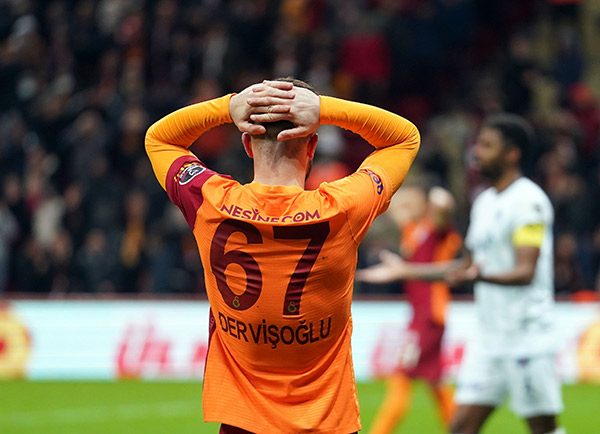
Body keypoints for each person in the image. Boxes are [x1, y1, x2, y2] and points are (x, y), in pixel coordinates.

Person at [145, 78, 420, 433]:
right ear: (312, 146)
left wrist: (227, 107)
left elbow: (158, 139)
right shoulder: (345, 206)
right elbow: (405, 138)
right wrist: (325, 109)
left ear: (247, 144)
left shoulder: (209, 199)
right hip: (327, 423)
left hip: (243, 423)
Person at [355, 114, 564, 434]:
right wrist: (405, 270)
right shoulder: (484, 202)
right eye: (478, 144)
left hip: (527, 338)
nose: (477, 151)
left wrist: (477, 277)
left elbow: (525, 272)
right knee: (460, 428)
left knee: (544, 429)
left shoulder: (528, 202)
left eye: (487, 145)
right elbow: (465, 267)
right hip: (489, 339)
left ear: (512, 154)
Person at [356, 186, 461, 433]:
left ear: (422, 207)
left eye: (405, 205)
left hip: (429, 317)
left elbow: (443, 213)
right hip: (424, 317)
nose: (399, 211)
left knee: (400, 378)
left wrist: (439, 202)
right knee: (436, 383)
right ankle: (463, 429)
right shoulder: (412, 233)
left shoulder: (433, 230)